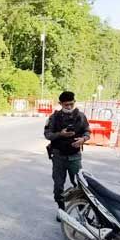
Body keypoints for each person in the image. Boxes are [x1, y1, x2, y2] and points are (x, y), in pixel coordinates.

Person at [44, 91, 90, 219]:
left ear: (74, 102)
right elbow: (47, 134)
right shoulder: (54, 118)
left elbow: (87, 132)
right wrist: (60, 134)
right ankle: (61, 210)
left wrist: (83, 139)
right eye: (66, 104)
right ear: (60, 104)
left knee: (80, 185)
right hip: (58, 157)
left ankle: (82, 213)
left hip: (75, 157)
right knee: (58, 185)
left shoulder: (80, 116)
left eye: (71, 104)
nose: (69, 107)